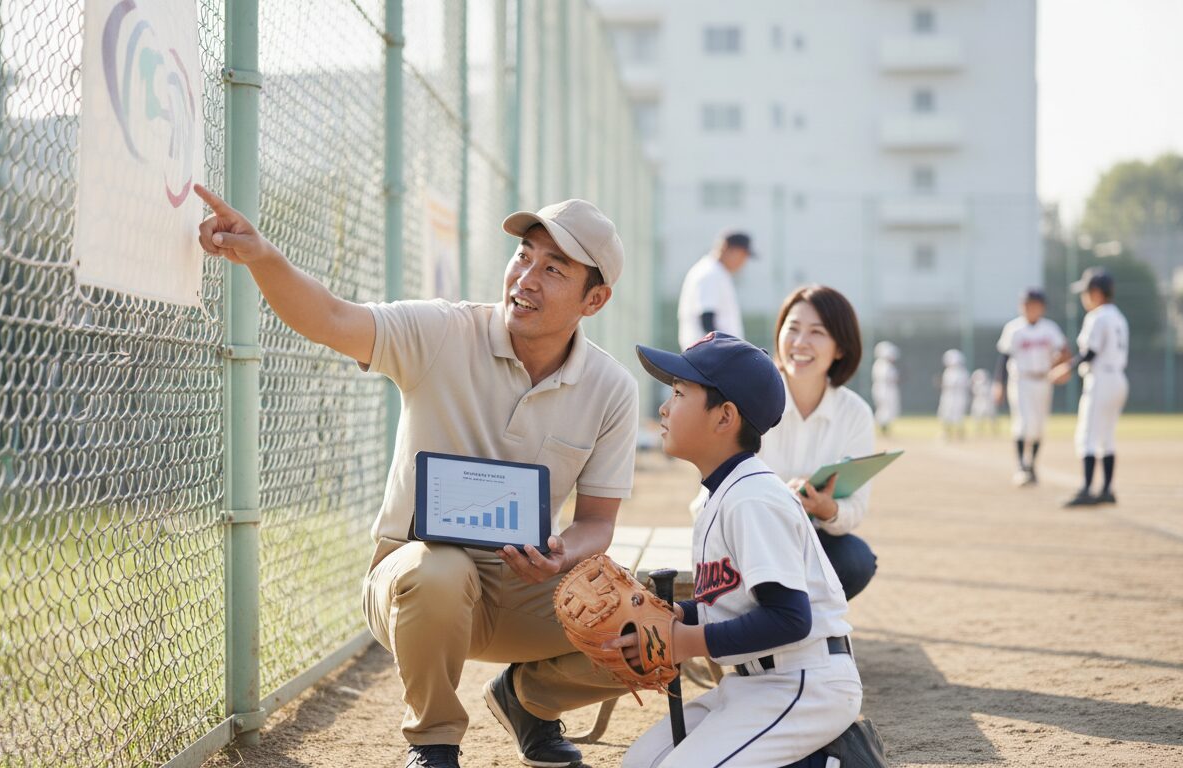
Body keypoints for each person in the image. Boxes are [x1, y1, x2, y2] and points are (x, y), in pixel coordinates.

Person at [194, 186, 638, 768]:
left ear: (594, 299)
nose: (525, 278)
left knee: (648, 633)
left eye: (554, 269)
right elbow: (330, 318)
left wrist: (559, 554)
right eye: (523, 256)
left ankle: (529, 699)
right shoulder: (441, 332)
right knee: (439, 570)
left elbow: (596, 523)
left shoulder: (611, 388)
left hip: (524, 582)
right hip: (416, 583)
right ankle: (433, 743)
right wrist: (261, 255)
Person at [615, 332, 862, 768]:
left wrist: (684, 641)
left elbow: (789, 617)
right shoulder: (722, 493)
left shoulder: (753, 497)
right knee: (641, 762)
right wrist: (680, 616)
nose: (664, 407)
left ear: (725, 416)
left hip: (804, 682)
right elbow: (731, 602)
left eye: (679, 392)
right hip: (754, 683)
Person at [762, 286, 880, 601]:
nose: (800, 343)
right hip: (749, 536)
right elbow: (711, 493)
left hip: (810, 539)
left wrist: (828, 510)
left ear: (840, 348)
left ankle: (793, 622)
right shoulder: (751, 396)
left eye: (817, 332)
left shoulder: (855, 413)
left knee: (856, 560)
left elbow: (855, 507)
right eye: (793, 329)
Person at [1051, 267, 1129, 507]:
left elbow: (1090, 352)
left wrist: (1066, 368)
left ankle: (1086, 489)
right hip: (1118, 379)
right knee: (1106, 436)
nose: (1084, 298)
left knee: (1087, 436)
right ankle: (1106, 489)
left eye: (1086, 292)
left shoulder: (1097, 316)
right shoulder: (1118, 316)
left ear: (1096, 293)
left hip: (1101, 380)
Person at [994, 288, 1068, 486]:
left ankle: (1031, 466)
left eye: (1032, 304)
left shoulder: (1050, 328)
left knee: (1038, 426)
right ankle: (1021, 466)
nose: (1028, 308)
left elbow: (1063, 350)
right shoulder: (1014, 328)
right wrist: (998, 383)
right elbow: (1004, 357)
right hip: (1020, 380)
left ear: (1041, 307)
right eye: (1025, 304)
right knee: (1023, 422)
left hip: (1043, 380)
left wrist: (1062, 366)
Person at [676, 232, 752, 350]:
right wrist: (724, 350)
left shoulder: (716, 272)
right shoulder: (709, 273)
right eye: (742, 255)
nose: (744, 262)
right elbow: (707, 319)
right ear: (728, 249)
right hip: (708, 355)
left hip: (711, 354)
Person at [871, 341, 901, 436]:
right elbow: (888, 378)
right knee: (885, 409)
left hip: (884, 389)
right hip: (885, 390)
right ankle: (883, 429)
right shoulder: (883, 365)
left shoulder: (881, 364)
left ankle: (885, 428)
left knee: (886, 409)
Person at [938, 349, 969, 440]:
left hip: (959, 396)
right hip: (948, 396)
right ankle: (947, 433)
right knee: (946, 414)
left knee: (958, 415)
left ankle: (960, 433)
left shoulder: (962, 372)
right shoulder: (948, 371)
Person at [969, 368, 997, 436]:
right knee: (977, 417)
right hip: (978, 402)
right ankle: (978, 431)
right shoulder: (976, 386)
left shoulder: (989, 385)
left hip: (987, 402)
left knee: (991, 417)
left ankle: (993, 430)